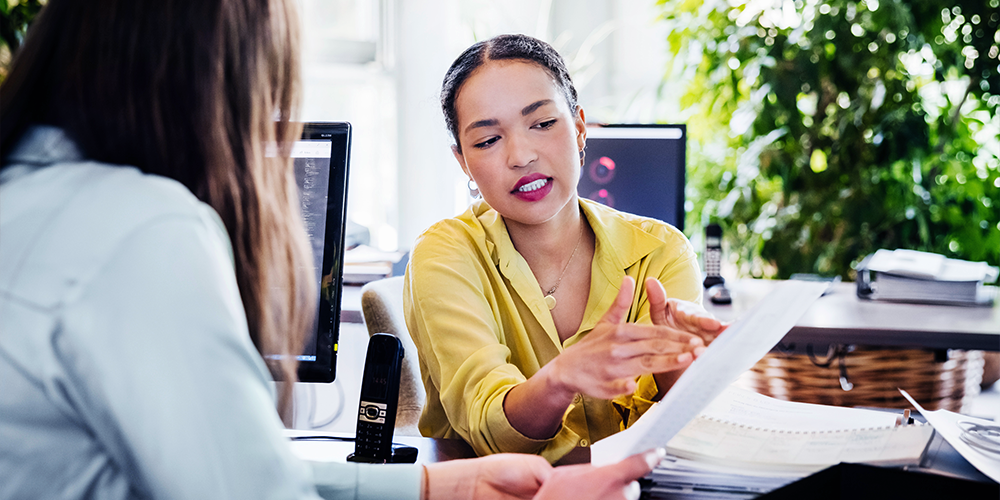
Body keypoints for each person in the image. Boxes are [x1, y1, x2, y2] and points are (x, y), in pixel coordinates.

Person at [0, 2, 659, 499]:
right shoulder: (142, 230)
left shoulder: (31, 197)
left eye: (541, 122)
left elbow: (243, 473)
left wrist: (439, 487)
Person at [404, 34, 726, 463]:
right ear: (463, 161)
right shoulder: (444, 255)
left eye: (542, 123)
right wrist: (560, 379)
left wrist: (679, 364)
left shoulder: (661, 251)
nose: (521, 156)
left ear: (578, 128)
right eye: (487, 141)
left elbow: (684, 436)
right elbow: (489, 434)